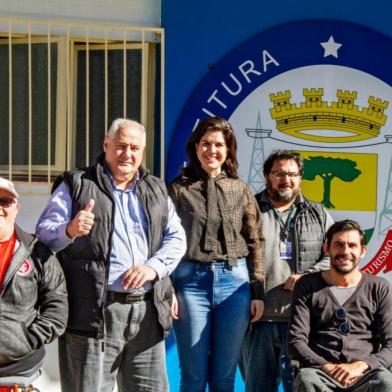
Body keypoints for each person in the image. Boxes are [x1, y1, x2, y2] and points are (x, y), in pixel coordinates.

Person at [36, 118, 187, 392]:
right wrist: (69, 229)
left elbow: (176, 238)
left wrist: (153, 268)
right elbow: (44, 233)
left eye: (134, 148)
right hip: (93, 312)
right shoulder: (77, 184)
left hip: (147, 313)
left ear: (142, 151)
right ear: (106, 144)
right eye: (120, 146)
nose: (127, 154)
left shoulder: (155, 188)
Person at [168, 116, 265, 392]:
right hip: (190, 284)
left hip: (235, 284)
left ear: (229, 149)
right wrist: (167, 288)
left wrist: (258, 291)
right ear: (195, 148)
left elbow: (256, 241)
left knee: (224, 376)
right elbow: (161, 241)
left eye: (219, 144)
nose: (212, 150)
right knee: (193, 375)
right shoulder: (178, 189)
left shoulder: (241, 189)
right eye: (206, 143)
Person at [240, 150, 334, 392]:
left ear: (301, 177)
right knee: (258, 388)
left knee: (302, 387)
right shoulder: (247, 211)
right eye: (279, 173)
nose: (286, 179)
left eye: (292, 174)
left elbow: (335, 255)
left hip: (302, 322)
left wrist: (308, 277)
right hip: (257, 318)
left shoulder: (319, 214)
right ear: (267, 176)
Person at [287, 219, 392, 391]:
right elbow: (295, 342)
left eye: (352, 245)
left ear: (363, 251)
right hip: (321, 373)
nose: (345, 251)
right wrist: (328, 367)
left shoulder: (379, 287)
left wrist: (361, 365)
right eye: (339, 244)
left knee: (386, 382)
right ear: (327, 248)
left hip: (365, 374)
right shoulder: (307, 285)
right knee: (306, 379)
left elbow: (391, 344)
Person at [0, 177, 67, 383]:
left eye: (5, 202)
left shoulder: (37, 252)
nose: (0, 208)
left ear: (16, 208)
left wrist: (28, 339)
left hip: (19, 366)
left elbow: (57, 307)